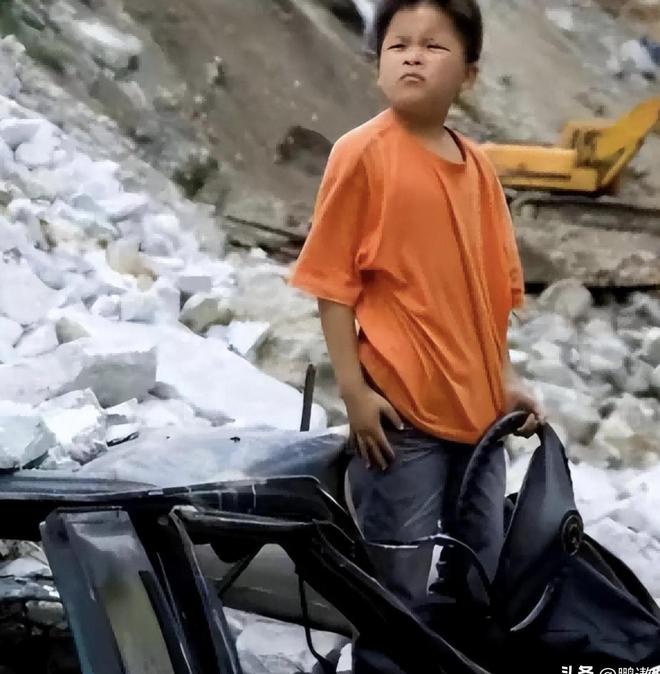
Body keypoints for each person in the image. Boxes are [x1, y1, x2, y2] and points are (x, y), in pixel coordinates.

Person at [289, 0, 544, 669]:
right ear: (378, 63)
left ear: (469, 74)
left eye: (433, 46)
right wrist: (354, 392)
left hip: (480, 422)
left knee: (479, 579)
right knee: (393, 590)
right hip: (402, 417)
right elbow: (333, 286)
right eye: (398, 44)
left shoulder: (478, 168)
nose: (412, 56)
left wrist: (506, 379)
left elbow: (490, 294)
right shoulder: (362, 154)